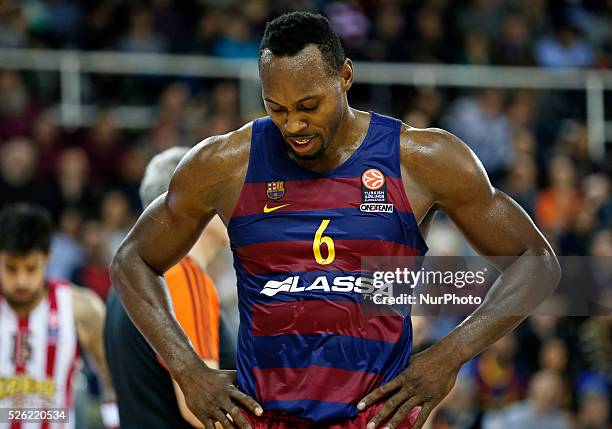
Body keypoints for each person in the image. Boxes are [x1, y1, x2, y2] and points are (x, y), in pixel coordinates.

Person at [110, 11, 561, 429]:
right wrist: (188, 369)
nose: (294, 125)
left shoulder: (421, 159)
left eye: (309, 105)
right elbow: (131, 260)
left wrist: (451, 354)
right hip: (267, 418)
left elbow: (538, 261)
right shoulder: (224, 163)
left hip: (374, 418)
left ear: (345, 76)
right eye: (278, 108)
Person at [104, 147, 233, 428]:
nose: (235, 204)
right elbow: (204, 409)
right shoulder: (181, 274)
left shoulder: (128, 281)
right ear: (194, 203)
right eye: (223, 193)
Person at [0, 203, 118, 429]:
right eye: (11, 269)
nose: (21, 281)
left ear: (47, 259)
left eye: (31, 268)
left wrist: (114, 423)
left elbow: (112, 379)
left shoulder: (80, 307)